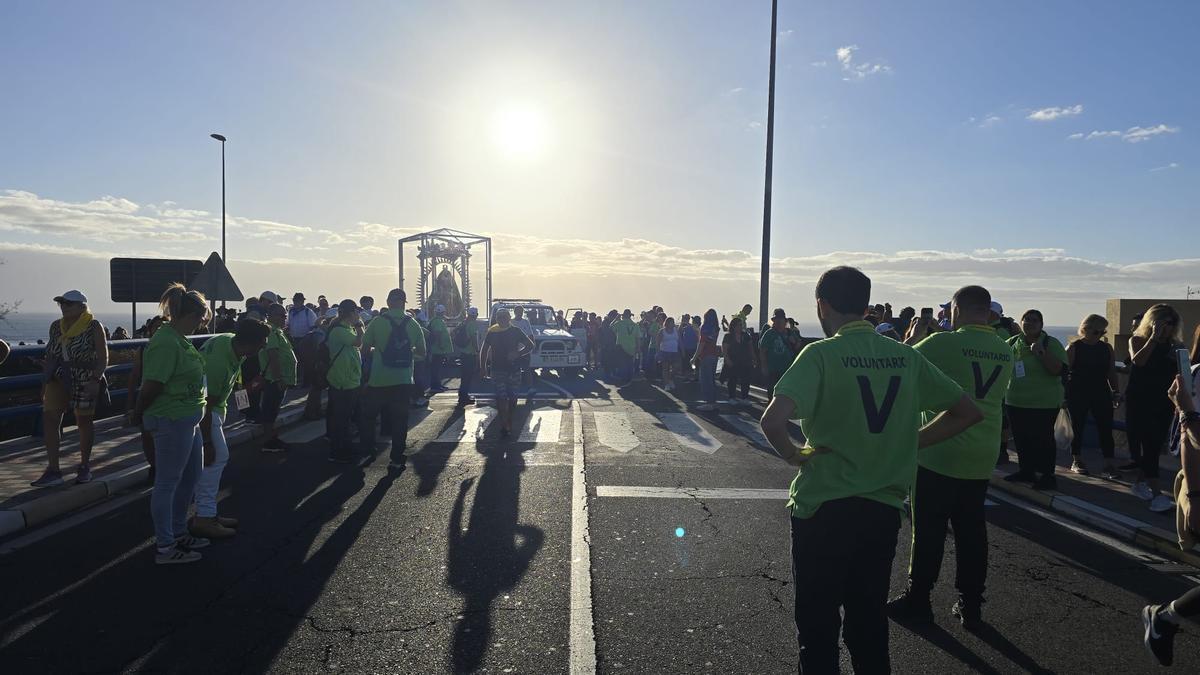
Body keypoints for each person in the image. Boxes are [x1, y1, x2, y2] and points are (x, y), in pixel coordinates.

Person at [759, 266, 982, 673]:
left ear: (822, 306)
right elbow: (967, 412)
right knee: (868, 624)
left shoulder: (821, 354)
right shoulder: (904, 356)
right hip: (881, 509)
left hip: (822, 507)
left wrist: (795, 456)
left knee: (817, 626)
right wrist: (911, 441)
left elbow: (773, 422)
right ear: (866, 305)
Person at [887, 285, 1013, 630]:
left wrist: (913, 336)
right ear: (987, 312)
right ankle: (971, 605)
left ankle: (919, 598)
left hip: (940, 449)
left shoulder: (943, 343)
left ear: (956, 309)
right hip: (982, 452)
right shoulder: (1004, 350)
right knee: (972, 531)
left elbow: (896, 363)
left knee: (928, 530)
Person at [129, 283, 211, 565]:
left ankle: (178, 531)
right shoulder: (166, 341)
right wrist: (138, 413)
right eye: (202, 319)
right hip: (171, 419)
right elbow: (152, 384)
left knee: (190, 478)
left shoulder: (180, 338)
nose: (203, 324)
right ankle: (165, 546)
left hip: (188, 420)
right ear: (191, 315)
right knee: (167, 482)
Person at [191, 317, 271, 538]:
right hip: (207, 411)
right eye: (262, 342)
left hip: (213, 408)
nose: (264, 346)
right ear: (251, 343)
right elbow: (206, 405)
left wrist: (243, 399)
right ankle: (204, 518)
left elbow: (233, 385)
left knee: (209, 462)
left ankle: (207, 512)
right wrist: (207, 443)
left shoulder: (230, 343)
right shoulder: (218, 363)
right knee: (216, 459)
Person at [1141, 374, 1200, 666]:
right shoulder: (1195, 378)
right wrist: (1194, 497)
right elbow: (1191, 441)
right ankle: (1164, 617)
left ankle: (1165, 618)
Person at [31, 290, 108, 487]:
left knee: (83, 420)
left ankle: (84, 465)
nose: (64, 307)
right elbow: (50, 355)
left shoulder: (93, 326)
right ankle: (53, 468)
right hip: (57, 377)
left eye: (68, 304)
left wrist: (95, 380)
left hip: (84, 376)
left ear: (82, 307)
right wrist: (44, 383)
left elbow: (102, 357)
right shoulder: (56, 327)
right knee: (50, 417)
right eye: (62, 304)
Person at [1126, 304, 1185, 512]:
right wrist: (1154, 338)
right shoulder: (1137, 340)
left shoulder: (1174, 346)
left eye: (1172, 323)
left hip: (1163, 401)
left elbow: (1182, 373)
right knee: (1148, 443)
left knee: (1156, 444)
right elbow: (1138, 361)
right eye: (1165, 323)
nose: (1169, 328)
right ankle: (1157, 494)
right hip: (1141, 400)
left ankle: (1140, 484)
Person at [359, 289, 426, 470]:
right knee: (400, 420)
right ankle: (396, 457)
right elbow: (422, 353)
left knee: (369, 417)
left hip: (378, 380)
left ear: (388, 302)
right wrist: (407, 353)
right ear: (404, 302)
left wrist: (377, 352)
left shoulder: (377, 322)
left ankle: (367, 451)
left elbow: (364, 350)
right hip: (403, 380)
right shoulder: (413, 324)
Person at [1002, 309, 1068, 490]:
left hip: (1044, 403)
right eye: (1026, 319)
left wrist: (1042, 353)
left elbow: (1058, 370)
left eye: (1034, 320)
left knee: (1043, 440)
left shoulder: (1050, 343)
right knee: (1022, 438)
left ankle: (1048, 475)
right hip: (1015, 401)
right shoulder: (1012, 343)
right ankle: (1026, 471)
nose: (1029, 323)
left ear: (1041, 325)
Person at [1066, 315, 1121, 478]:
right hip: (1077, 392)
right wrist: (1063, 395)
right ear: (1086, 329)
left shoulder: (1106, 348)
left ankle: (1109, 464)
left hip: (1101, 391)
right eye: (1096, 331)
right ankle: (1076, 459)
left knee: (1105, 427)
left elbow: (1111, 371)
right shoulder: (1074, 347)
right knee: (1077, 426)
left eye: (1102, 331)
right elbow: (1064, 373)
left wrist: (1116, 392)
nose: (1099, 334)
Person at [480, 308, 534, 438]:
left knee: (513, 398)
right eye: (499, 317)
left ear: (509, 318)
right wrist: (482, 368)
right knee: (501, 397)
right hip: (497, 369)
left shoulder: (515, 331)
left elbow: (530, 345)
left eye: (504, 317)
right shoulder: (492, 332)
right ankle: (504, 423)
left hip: (514, 369)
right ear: (496, 319)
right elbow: (484, 349)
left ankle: (509, 419)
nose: (502, 319)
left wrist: (518, 353)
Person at [326, 300, 365, 464]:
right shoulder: (339, 330)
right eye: (356, 312)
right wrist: (359, 327)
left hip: (349, 380)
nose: (358, 315)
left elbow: (358, 346)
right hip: (342, 381)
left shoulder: (345, 329)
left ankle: (345, 448)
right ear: (351, 313)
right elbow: (357, 342)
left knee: (346, 417)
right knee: (342, 418)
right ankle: (338, 450)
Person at [258, 304, 298, 452]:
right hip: (274, 379)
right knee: (270, 409)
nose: (284, 318)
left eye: (285, 316)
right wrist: (279, 378)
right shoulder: (271, 332)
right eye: (281, 316)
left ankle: (272, 437)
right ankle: (268, 441)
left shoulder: (278, 332)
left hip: (281, 378)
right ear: (271, 316)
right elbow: (273, 356)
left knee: (274, 409)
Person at [721, 316, 757, 405]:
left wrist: (754, 358)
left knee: (746, 380)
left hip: (745, 361)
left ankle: (745, 397)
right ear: (733, 326)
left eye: (741, 325)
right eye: (738, 325)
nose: (740, 327)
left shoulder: (746, 336)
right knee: (732, 379)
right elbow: (724, 349)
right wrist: (727, 360)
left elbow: (750, 348)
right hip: (733, 361)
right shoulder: (728, 336)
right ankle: (732, 397)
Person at [759, 309, 794, 398]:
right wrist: (764, 366)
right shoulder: (769, 333)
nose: (778, 322)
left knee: (786, 392)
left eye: (780, 319)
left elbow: (798, 346)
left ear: (784, 321)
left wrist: (794, 341)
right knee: (772, 392)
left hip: (787, 368)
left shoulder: (790, 332)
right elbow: (763, 350)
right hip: (773, 369)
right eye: (776, 320)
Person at [693, 310, 721, 412]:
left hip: (706, 355)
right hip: (714, 355)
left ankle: (709, 402)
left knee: (705, 380)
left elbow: (702, 344)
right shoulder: (716, 328)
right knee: (712, 380)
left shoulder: (705, 328)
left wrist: (694, 357)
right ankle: (713, 402)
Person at [454, 307, 482, 407]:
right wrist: (478, 350)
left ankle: (463, 395)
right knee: (468, 377)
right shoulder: (472, 324)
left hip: (463, 353)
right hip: (469, 353)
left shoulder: (463, 323)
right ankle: (464, 397)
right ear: (476, 315)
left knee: (464, 377)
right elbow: (474, 338)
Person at [428, 304, 453, 394]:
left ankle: (438, 384)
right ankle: (435, 386)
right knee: (436, 368)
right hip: (438, 349)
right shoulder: (438, 322)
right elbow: (437, 334)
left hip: (437, 349)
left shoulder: (436, 321)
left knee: (437, 368)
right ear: (443, 312)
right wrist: (440, 345)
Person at [611, 309, 639, 386]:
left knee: (622, 364)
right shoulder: (635, 325)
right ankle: (629, 379)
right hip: (631, 347)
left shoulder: (620, 323)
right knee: (630, 364)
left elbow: (611, 327)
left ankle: (624, 380)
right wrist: (638, 348)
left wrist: (616, 319)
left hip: (621, 346)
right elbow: (637, 338)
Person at [655, 316, 681, 391]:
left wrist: (682, 350)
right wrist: (658, 352)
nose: (672, 324)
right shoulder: (662, 331)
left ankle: (670, 379)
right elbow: (658, 342)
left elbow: (679, 341)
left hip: (674, 352)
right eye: (671, 322)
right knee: (665, 368)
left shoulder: (676, 330)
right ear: (667, 323)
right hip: (664, 351)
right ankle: (666, 384)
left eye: (673, 322)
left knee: (676, 367)